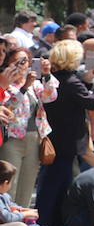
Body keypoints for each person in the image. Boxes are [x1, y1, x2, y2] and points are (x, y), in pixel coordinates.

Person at [35, 38, 94, 226]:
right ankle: (48, 225)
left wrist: (86, 81)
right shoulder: (70, 81)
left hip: (55, 137)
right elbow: (93, 102)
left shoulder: (54, 78)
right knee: (57, 184)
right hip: (67, 140)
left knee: (53, 182)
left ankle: (51, 224)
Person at [0, 45, 58, 211]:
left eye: (25, 61)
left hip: (34, 138)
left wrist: (46, 74)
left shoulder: (35, 84)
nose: (21, 65)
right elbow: (8, 107)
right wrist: (24, 87)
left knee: (28, 182)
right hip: (12, 139)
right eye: (16, 61)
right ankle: (6, 220)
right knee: (10, 182)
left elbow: (51, 96)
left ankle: (23, 220)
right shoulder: (5, 85)